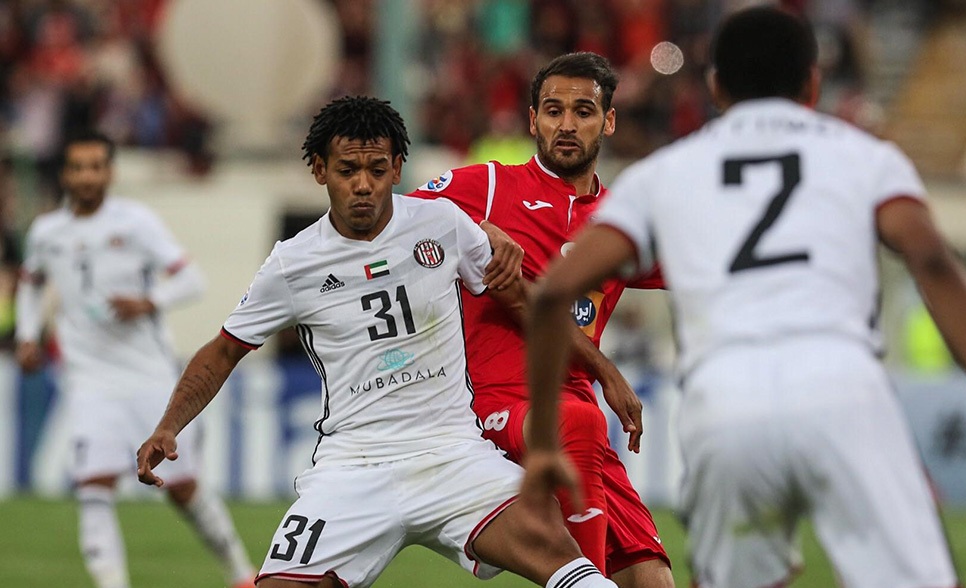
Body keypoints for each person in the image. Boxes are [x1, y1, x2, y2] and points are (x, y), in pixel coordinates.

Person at [523, 7, 966, 588]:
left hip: (726, 403)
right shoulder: (863, 155)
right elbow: (931, 260)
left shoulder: (665, 173)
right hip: (843, 390)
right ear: (813, 83)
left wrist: (546, 439)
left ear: (717, 85)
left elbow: (551, 298)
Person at [136, 96, 619, 588]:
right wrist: (169, 425)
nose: (363, 184)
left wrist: (604, 370)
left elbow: (525, 304)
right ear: (320, 170)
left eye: (377, 168)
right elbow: (224, 349)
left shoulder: (444, 225)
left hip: (453, 455)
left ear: (397, 168)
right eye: (348, 170)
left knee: (570, 565)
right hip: (353, 467)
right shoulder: (293, 263)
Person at [409, 52, 673, 588]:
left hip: (577, 418)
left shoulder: (623, 221)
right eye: (553, 111)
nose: (567, 125)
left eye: (583, 111)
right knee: (580, 420)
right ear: (533, 120)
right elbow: (396, 222)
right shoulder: (485, 185)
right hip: (495, 402)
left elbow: (713, 266)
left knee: (653, 581)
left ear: (610, 121)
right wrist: (472, 226)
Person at [14, 129, 256, 588]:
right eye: (78, 167)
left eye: (96, 167)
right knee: (94, 485)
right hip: (88, 380)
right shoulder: (47, 232)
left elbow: (192, 281)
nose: (87, 176)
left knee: (183, 488)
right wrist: (28, 335)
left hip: (148, 376)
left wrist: (149, 301)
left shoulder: (135, 222)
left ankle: (241, 575)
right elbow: (31, 283)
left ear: (109, 172)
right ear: (66, 174)